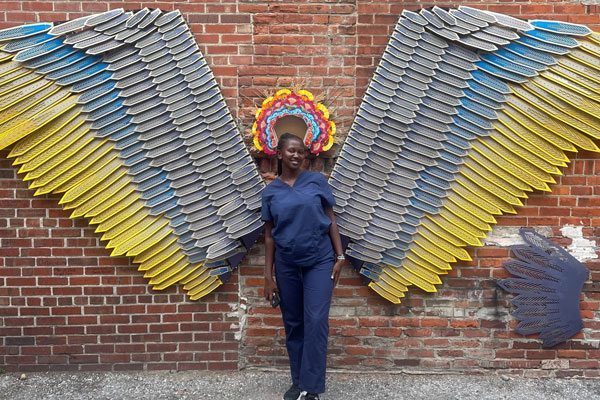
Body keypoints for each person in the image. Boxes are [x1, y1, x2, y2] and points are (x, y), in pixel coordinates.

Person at [261, 132, 345, 400]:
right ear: (279, 154)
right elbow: (269, 235)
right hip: (286, 264)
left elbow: (331, 220)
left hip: (319, 260)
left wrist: (339, 256)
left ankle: (312, 388)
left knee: (317, 320)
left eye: (301, 152)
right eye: (291, 151)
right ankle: (298, 381)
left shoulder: (317, 181)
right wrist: (268, 276)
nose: (296, 155)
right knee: (294, 323)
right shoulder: (271, 191)